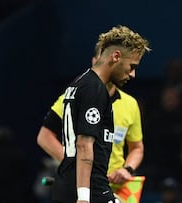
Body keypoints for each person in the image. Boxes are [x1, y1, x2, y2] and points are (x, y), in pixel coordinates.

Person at [38, 25, 150, 203]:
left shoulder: (79, 83)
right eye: (132, 66)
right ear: (116, 57)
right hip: (91, 185)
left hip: (78, 183)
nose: (133, 74)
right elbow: (84, 144)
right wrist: (83, 196)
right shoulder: (94, 89)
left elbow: (137, 147)